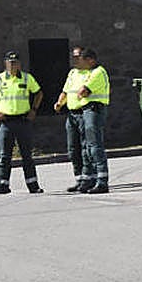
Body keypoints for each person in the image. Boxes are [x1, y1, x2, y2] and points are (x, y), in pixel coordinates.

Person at [0, 51, 44, 194]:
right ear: (5, 63)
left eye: (15, 62)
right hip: (6, 122)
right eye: (10, 62)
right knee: (4, 156)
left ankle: (33, 185)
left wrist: (34, 109)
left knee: (27, 155)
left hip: (23, 121)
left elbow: (39, 93)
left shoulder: (27, 78)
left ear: (20, 64)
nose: (12, 65)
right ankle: (3, 185)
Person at [53, 46, 90, 192]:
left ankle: (88, 178)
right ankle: (79, 178)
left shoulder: (90, 73)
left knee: (85, 148)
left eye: (77, 56)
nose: (74, 59)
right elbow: (66, 91)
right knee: (73, 148)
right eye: (73, 56)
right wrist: (59, 103)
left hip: (84, 113)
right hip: (71, 114)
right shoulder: (72, 73)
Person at [77, 47, 111, 194]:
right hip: (87, 111)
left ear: (90, 60)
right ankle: (91, 179)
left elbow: (83, 92)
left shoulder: (98, 72)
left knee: (95, 146)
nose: (80, 64)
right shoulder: (90, 72)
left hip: (94, 110)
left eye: (83, 61)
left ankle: (102, 181)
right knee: (88, 146)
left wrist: (80, 94)